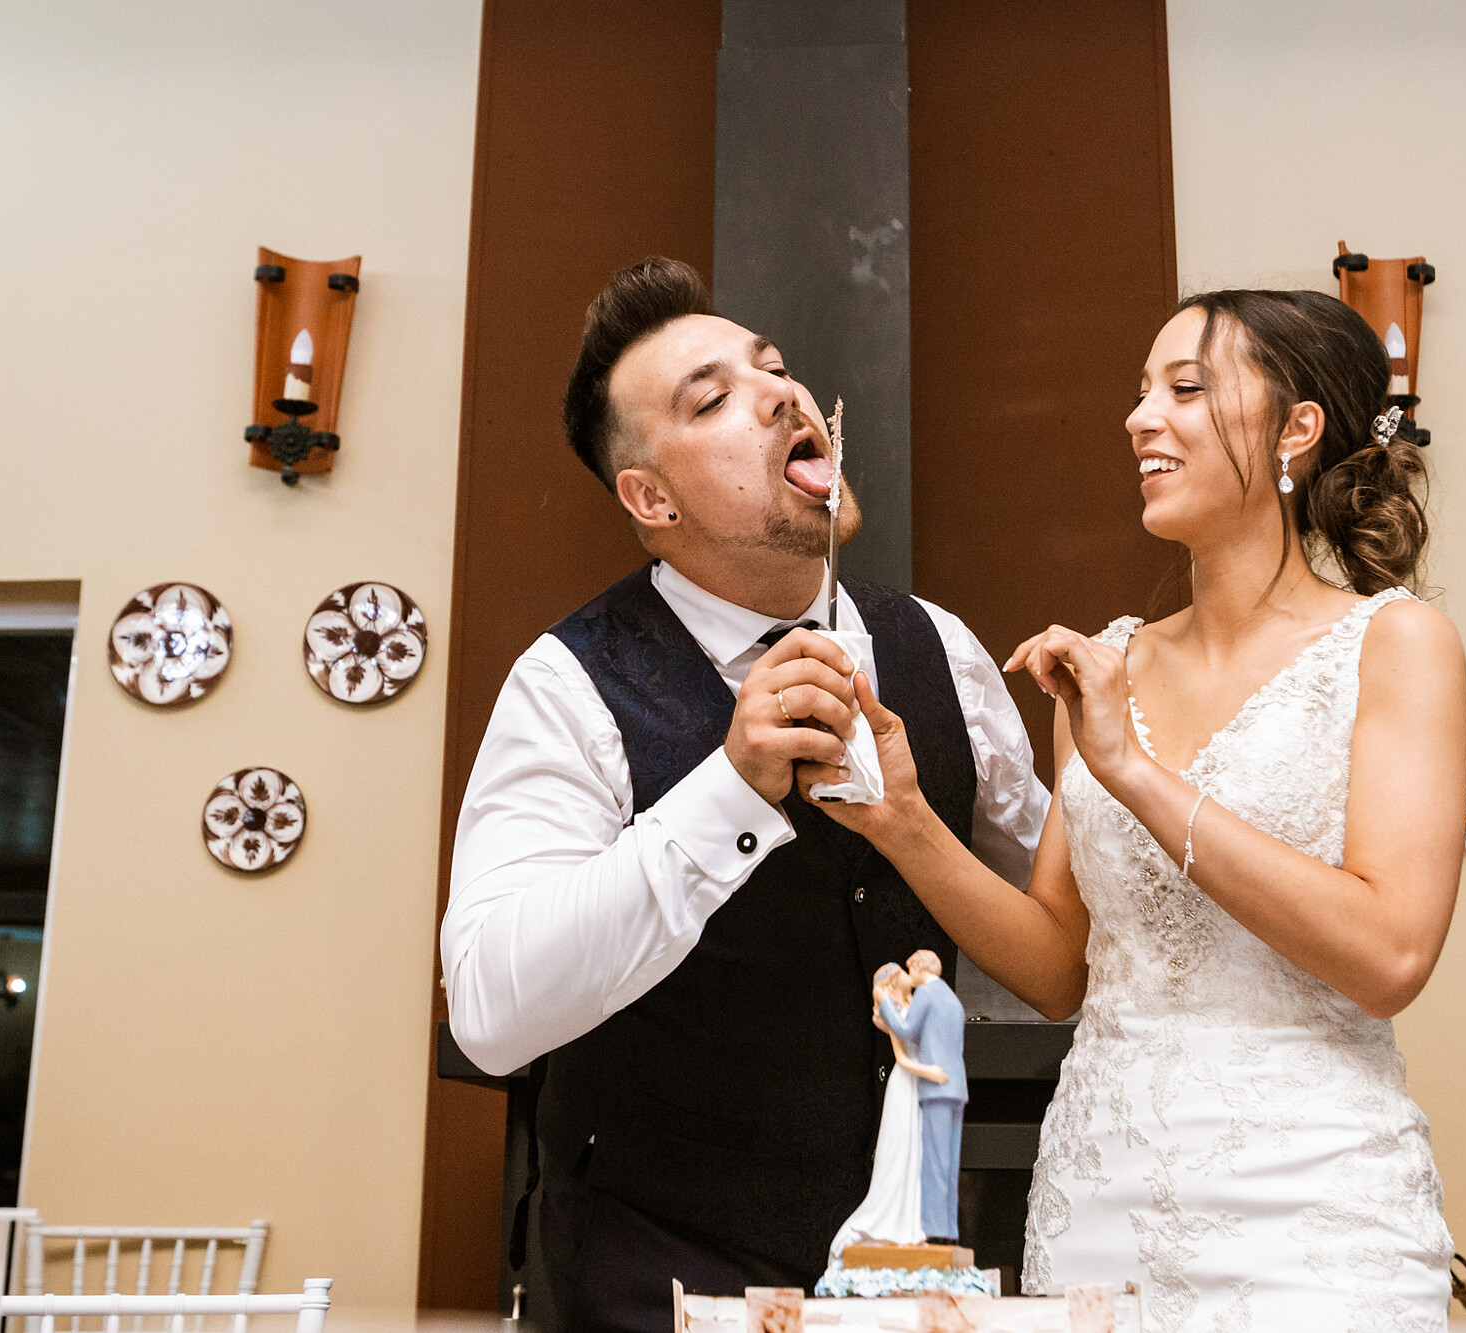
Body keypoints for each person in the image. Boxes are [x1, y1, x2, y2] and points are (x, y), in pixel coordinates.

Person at [799, 290, 1466, 1330]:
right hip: (1097, 1197)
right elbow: (1060, 969)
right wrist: (903, 821)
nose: (1138, 417)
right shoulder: (1111, 665)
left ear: (1297, 428)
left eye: (1185, 389)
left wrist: (1136, 773)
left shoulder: (1395, 645)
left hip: (1315, 1209)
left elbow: (1387, 955)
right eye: (1139, 392)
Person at [440, 257, 1048, 1331]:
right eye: (711, 398)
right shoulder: (567, 683)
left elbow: (1059, 933)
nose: (779, 392)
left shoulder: (939, 651)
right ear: (650, 497)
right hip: (648, 1284)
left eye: (775, 369)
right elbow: (488, 1012)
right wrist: (730, 786)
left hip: (902, 1287)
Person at [823, 963, 937, 1265]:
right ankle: (893, 1223)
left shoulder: (912, 1003)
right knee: (901, 1150)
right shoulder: (892, 1011)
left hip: (920, 1083)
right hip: (908, 1082)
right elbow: (903, 1054)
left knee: (917, 1153)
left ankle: (914, 1225)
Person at [873, 949, 966, 1245]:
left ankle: (935, 1231)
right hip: (956, 1084)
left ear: (916, 967)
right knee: (950, 1164)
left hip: (934, 1083)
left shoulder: (925, 994)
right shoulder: (951, 998)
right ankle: (949, 1229)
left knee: (935, 1163)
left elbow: (905, 1029)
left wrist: (884, 1002)